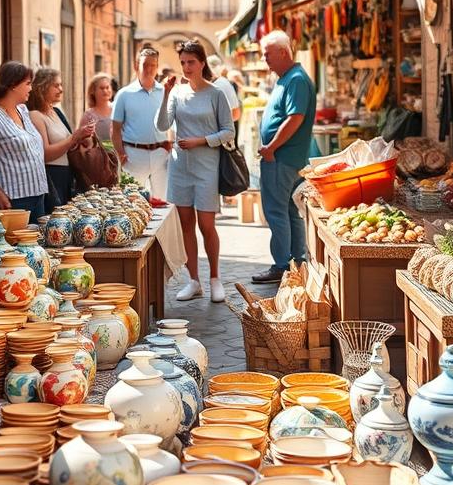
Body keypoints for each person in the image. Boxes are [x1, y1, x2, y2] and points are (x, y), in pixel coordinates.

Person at [156, 39, 235, 302]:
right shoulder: (177, 93)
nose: (187, 67)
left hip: (206, 167)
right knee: (186, 225)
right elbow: (162, 124)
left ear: (202, 63)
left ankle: (215, 278)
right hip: (180, 167)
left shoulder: (216, 94)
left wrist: (201, 140)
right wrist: (166, 94)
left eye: (191, 62)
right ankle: (194, 281)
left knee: (207, 225)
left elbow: (228, 131)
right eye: (183, 63)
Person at [252, 29, 316, 284]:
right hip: (284, 158)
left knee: (276, 211)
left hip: (281, 158)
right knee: (289, 211)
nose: (264, 59)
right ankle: (297, 262)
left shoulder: (296, 79)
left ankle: (281, 265)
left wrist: (271, 148)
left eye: (267, 54)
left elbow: (295, 118)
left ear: (282, 52)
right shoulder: (288, 78)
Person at [0, 61, 48, 222]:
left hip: (38, 193)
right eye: (28, 84)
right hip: (13, 198)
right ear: (13, 85)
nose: (31, 88)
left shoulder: (22, 110)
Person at [28, 68, 95, 210]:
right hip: (51, 176)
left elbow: (69, 144)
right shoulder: (35, 115)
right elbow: (44, 154)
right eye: (56, 85)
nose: (61, 89)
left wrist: (83, 137)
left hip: (67, 175)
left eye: (61, 85)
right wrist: (74, 137)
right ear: (42, 87)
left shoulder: (56, 112)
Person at [111, 46, 171, 198]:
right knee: (133, 201)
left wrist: (170, 147)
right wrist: (120, 154)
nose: (149, 69)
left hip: (160, 154)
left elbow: (172, 122)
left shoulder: (165, 92)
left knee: (163, 201)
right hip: (133, 155)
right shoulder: (124, 94)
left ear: (157, 67)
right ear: (137, 66)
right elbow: (115, 129)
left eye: (153, 65)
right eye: (145, 64)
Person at [79, 72, 115, 142]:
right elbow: (81, 139)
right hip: (98, 152)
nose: (105, 91)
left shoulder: (118, 109)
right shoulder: (88, 115)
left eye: (107, 87)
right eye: (102, 88)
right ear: (93, 91)